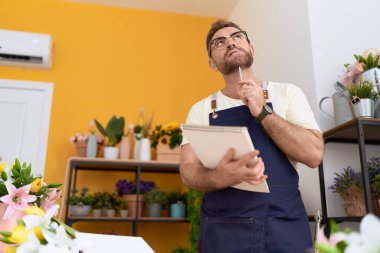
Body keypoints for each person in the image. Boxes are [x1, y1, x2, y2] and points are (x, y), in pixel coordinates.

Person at [179, 20, 324, 253]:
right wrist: (219, 176)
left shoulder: (287, 93)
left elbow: (314, 154)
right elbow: (187, 170)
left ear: (252, 49)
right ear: (212, 64)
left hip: (282, 227)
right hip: (223, 231)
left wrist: (263, 110)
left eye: (237, 36)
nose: (230, 42)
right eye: (219, 42)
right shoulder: (201, 109)